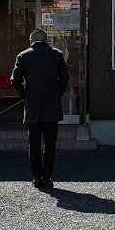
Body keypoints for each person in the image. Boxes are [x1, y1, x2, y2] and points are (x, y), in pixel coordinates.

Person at [11, 29, 69, 188]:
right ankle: (47, 177)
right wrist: (58, 93)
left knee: (34, 144)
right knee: (50, 144)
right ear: (46, 41)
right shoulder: (56, 55)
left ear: (31, 41)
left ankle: (37, 177)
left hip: (33, 106)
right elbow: (65, 77)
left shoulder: (23, 55)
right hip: (52, 105)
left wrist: (25, 94)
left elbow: (15, 79)